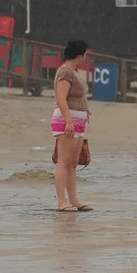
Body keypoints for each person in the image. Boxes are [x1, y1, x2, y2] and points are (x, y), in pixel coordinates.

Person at [52, 39, 93, 212]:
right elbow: (61, 97)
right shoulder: (65, 72)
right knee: (64, 161)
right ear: (79, 55)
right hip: (67, 120)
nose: (85, 58)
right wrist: (69, 121)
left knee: (73, 162)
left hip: (78, 120)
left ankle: (74, 200)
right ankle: (62, 201)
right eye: (85, 55)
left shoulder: (73, 72)